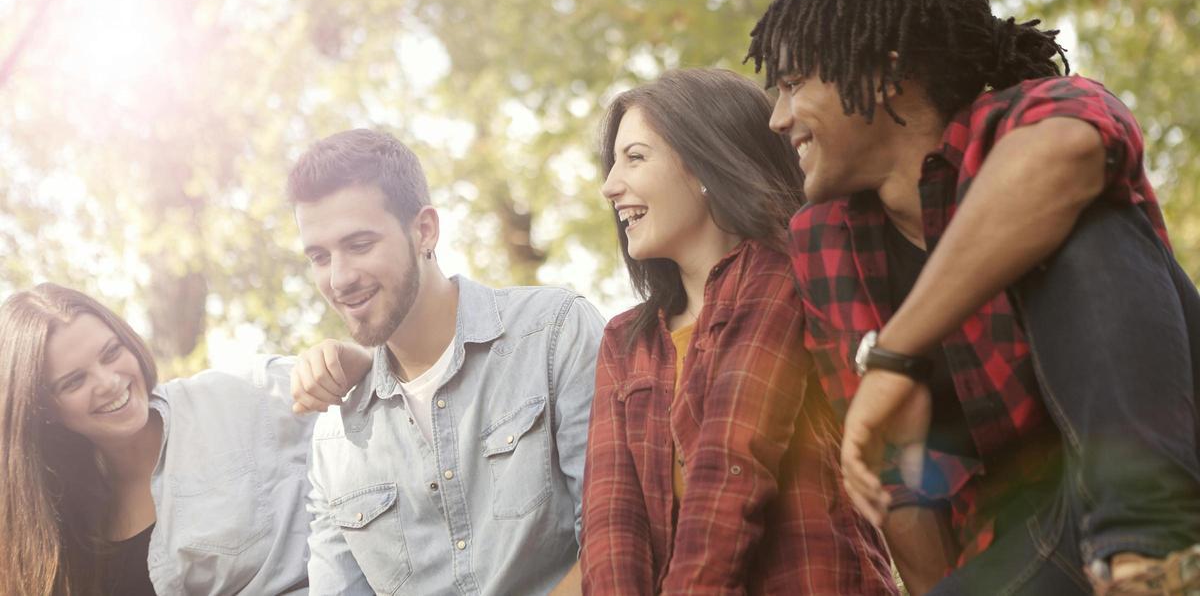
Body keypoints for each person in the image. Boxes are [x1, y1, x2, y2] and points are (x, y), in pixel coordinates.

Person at [746, 0, 1200, 594]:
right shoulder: (823, 243)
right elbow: (894, 483)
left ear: (883, 74)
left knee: (1085, 217)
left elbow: (1066, 153)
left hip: (1175, 481)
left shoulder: (1039, 116)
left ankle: (1153, 554)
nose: (778, 117)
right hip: (1038, 539)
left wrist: (895, 354)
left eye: (793, 85)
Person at [580, 68, 895, 594]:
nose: (611, 185)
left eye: (635, 157)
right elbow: (611, 523)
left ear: (704, 162)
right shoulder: (624, 341)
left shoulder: (781, 274)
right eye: (613, 163)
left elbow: (732, 461)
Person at [287, 128, 604, 595]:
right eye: (319, 256)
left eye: (359, 245)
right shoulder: (336, 440)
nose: (339, 278)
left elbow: (616, 542)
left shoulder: (553, 334)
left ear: (424, 230)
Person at [0, 283, 315, 595]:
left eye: (111, 353)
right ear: (43, 410)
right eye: (75, 381)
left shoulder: (233, 398)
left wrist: (342, 361)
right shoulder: (51, 520)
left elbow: (354, 396)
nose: (109, 382)